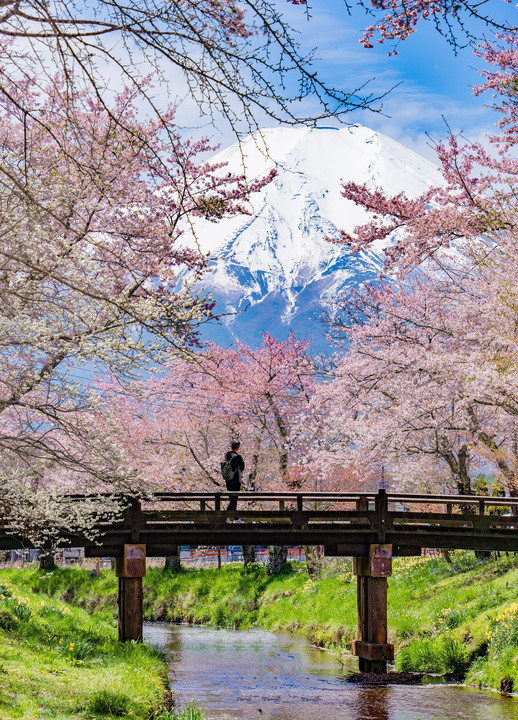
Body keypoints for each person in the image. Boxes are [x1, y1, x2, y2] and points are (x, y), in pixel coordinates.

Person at [225, 440, 244, 513]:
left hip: (228, 479)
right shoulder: (238, 457)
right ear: (237, 447)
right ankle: (226, 517)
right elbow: (242, 467)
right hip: (236, 480)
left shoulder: (227, 455)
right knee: (234, 499)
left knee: (232, 498)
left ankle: (234, 517)